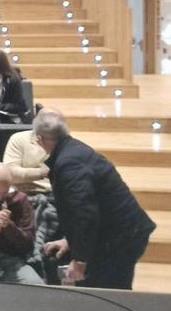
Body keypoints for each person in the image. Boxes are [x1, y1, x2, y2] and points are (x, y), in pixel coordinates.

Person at [34, 110, 156, 290]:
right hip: (120, 231)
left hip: (121, 236)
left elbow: (84, 215)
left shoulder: (69, 165)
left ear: (40, 139)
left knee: (111, 292)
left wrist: (80, 260)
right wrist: (70, 241)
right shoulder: (73, 149)